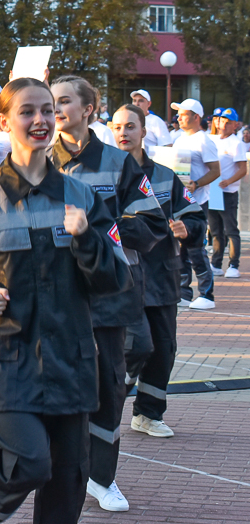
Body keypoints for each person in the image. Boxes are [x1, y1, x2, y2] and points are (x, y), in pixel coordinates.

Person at [0, 77, 131, 524]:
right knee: (30, 462)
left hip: (72, 358)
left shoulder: (83, 198)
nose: (41, 119)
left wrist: (86, 238)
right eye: (27, 111)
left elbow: (116, 278)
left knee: (68, 481)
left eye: (47, 110)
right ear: (3, 120)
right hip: (8, 358)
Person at [49, 75, 168, 513]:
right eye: (50, 102)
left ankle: (102, 478)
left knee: (108, 388)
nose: (55, 109)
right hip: (55, 297)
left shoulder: (119, 164)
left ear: (88, 109)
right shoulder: (35, 161)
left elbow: (153, 225)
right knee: (60, 386)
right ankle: (64, 471)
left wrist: (100, 226)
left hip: (109, 295)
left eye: (64, 101)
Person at [112, 104, 206, 439]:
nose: (124, 132)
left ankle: (148, 413)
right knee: (130, 347)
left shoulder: (165, 176)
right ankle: (104, 411)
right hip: (120, 277)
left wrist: (187, 228)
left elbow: (195, 216)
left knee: (163, 347)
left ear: (143, 131)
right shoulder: (103, 175)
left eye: (131, 126)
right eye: (118, 126)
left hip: (162, 274)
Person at [171, 98, 219, 310]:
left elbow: (216, 171)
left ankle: (207, 294)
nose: (179, 117)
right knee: (180, 248)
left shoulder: (204, 140)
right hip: (180, 202)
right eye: (178, 114)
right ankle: (184, 293)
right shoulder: (179, 139)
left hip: (198, 203)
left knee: (196, 249)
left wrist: (197, 184)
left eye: (183, 113)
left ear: (196, 117)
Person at [207, 108, 247, 278]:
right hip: (213, 190)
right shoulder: (211, 140)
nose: (223, 124)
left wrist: (229, 181)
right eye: (221, 120)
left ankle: (233, 264)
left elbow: (243, 169)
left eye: (228, 122)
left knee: (230, 229)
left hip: (228, 191)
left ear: (235, 125)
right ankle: (216, 263)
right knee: (215, 229)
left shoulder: (236, 143)